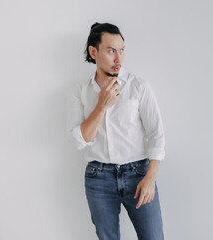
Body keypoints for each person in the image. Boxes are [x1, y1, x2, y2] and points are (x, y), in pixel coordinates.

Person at [67, 22, 165, 240]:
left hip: (138, 174)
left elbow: (156, 134)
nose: (118, 58)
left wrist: (150, 177)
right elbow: (79, 140)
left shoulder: (138, 86)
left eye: (122, 50)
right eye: (111, 51)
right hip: (98, 177)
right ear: (94, 52)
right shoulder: (81, 92)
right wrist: (101, 105)